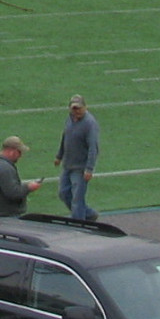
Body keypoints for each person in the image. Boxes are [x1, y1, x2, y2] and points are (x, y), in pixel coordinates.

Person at [56, 95, 100, 223]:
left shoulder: (89, 123)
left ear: (85, 107)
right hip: (68, 165)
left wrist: (89, 169)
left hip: (80, 168)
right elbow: (65, 138)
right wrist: (59, 156)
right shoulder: (70, 119)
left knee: (77, 199)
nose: (76, 111)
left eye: (79, 108)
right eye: (74, 108)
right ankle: (89, 214)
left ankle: (79, 224)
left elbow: (93, 148)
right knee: (64, 193)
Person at [0, 135, 39, 219]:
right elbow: (13, 193)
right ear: (12, 151)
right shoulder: (5, 168)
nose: (20, 156)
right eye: (19, 152)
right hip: (7, 218)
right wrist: (29, 187)